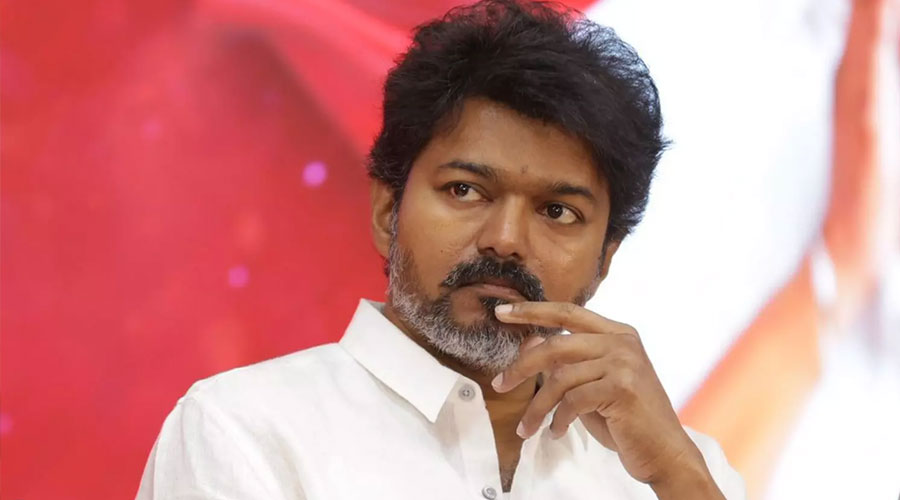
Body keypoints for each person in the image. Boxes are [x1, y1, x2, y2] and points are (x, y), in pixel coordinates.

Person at [136, 1, 745, 498]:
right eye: (465, 190)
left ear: (605, 258)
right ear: (387, 212)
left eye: (557, 211)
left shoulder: (676, 469)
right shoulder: (244, 431)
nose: (506, 239)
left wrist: (678, 476)